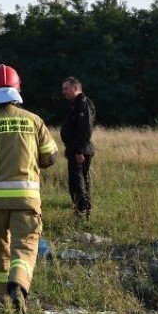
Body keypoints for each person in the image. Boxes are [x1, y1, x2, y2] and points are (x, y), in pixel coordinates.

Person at [0, 64, 58, 314]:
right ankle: (18, 284)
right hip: (27, 200)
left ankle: (1, 297)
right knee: (25, 246)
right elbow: (51, 157)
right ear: (18, 89)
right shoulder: (34, 121)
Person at [60, 76, 95, 220]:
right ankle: (79, 210)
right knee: (75, 182)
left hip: (80, 152)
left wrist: (79, 151)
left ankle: (82, 211)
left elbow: (85, 129)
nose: (63, 92)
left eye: (66, 88)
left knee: (79, 182)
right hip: (74, 150)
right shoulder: (75, 103)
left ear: (75, 88)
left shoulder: (83, 103)